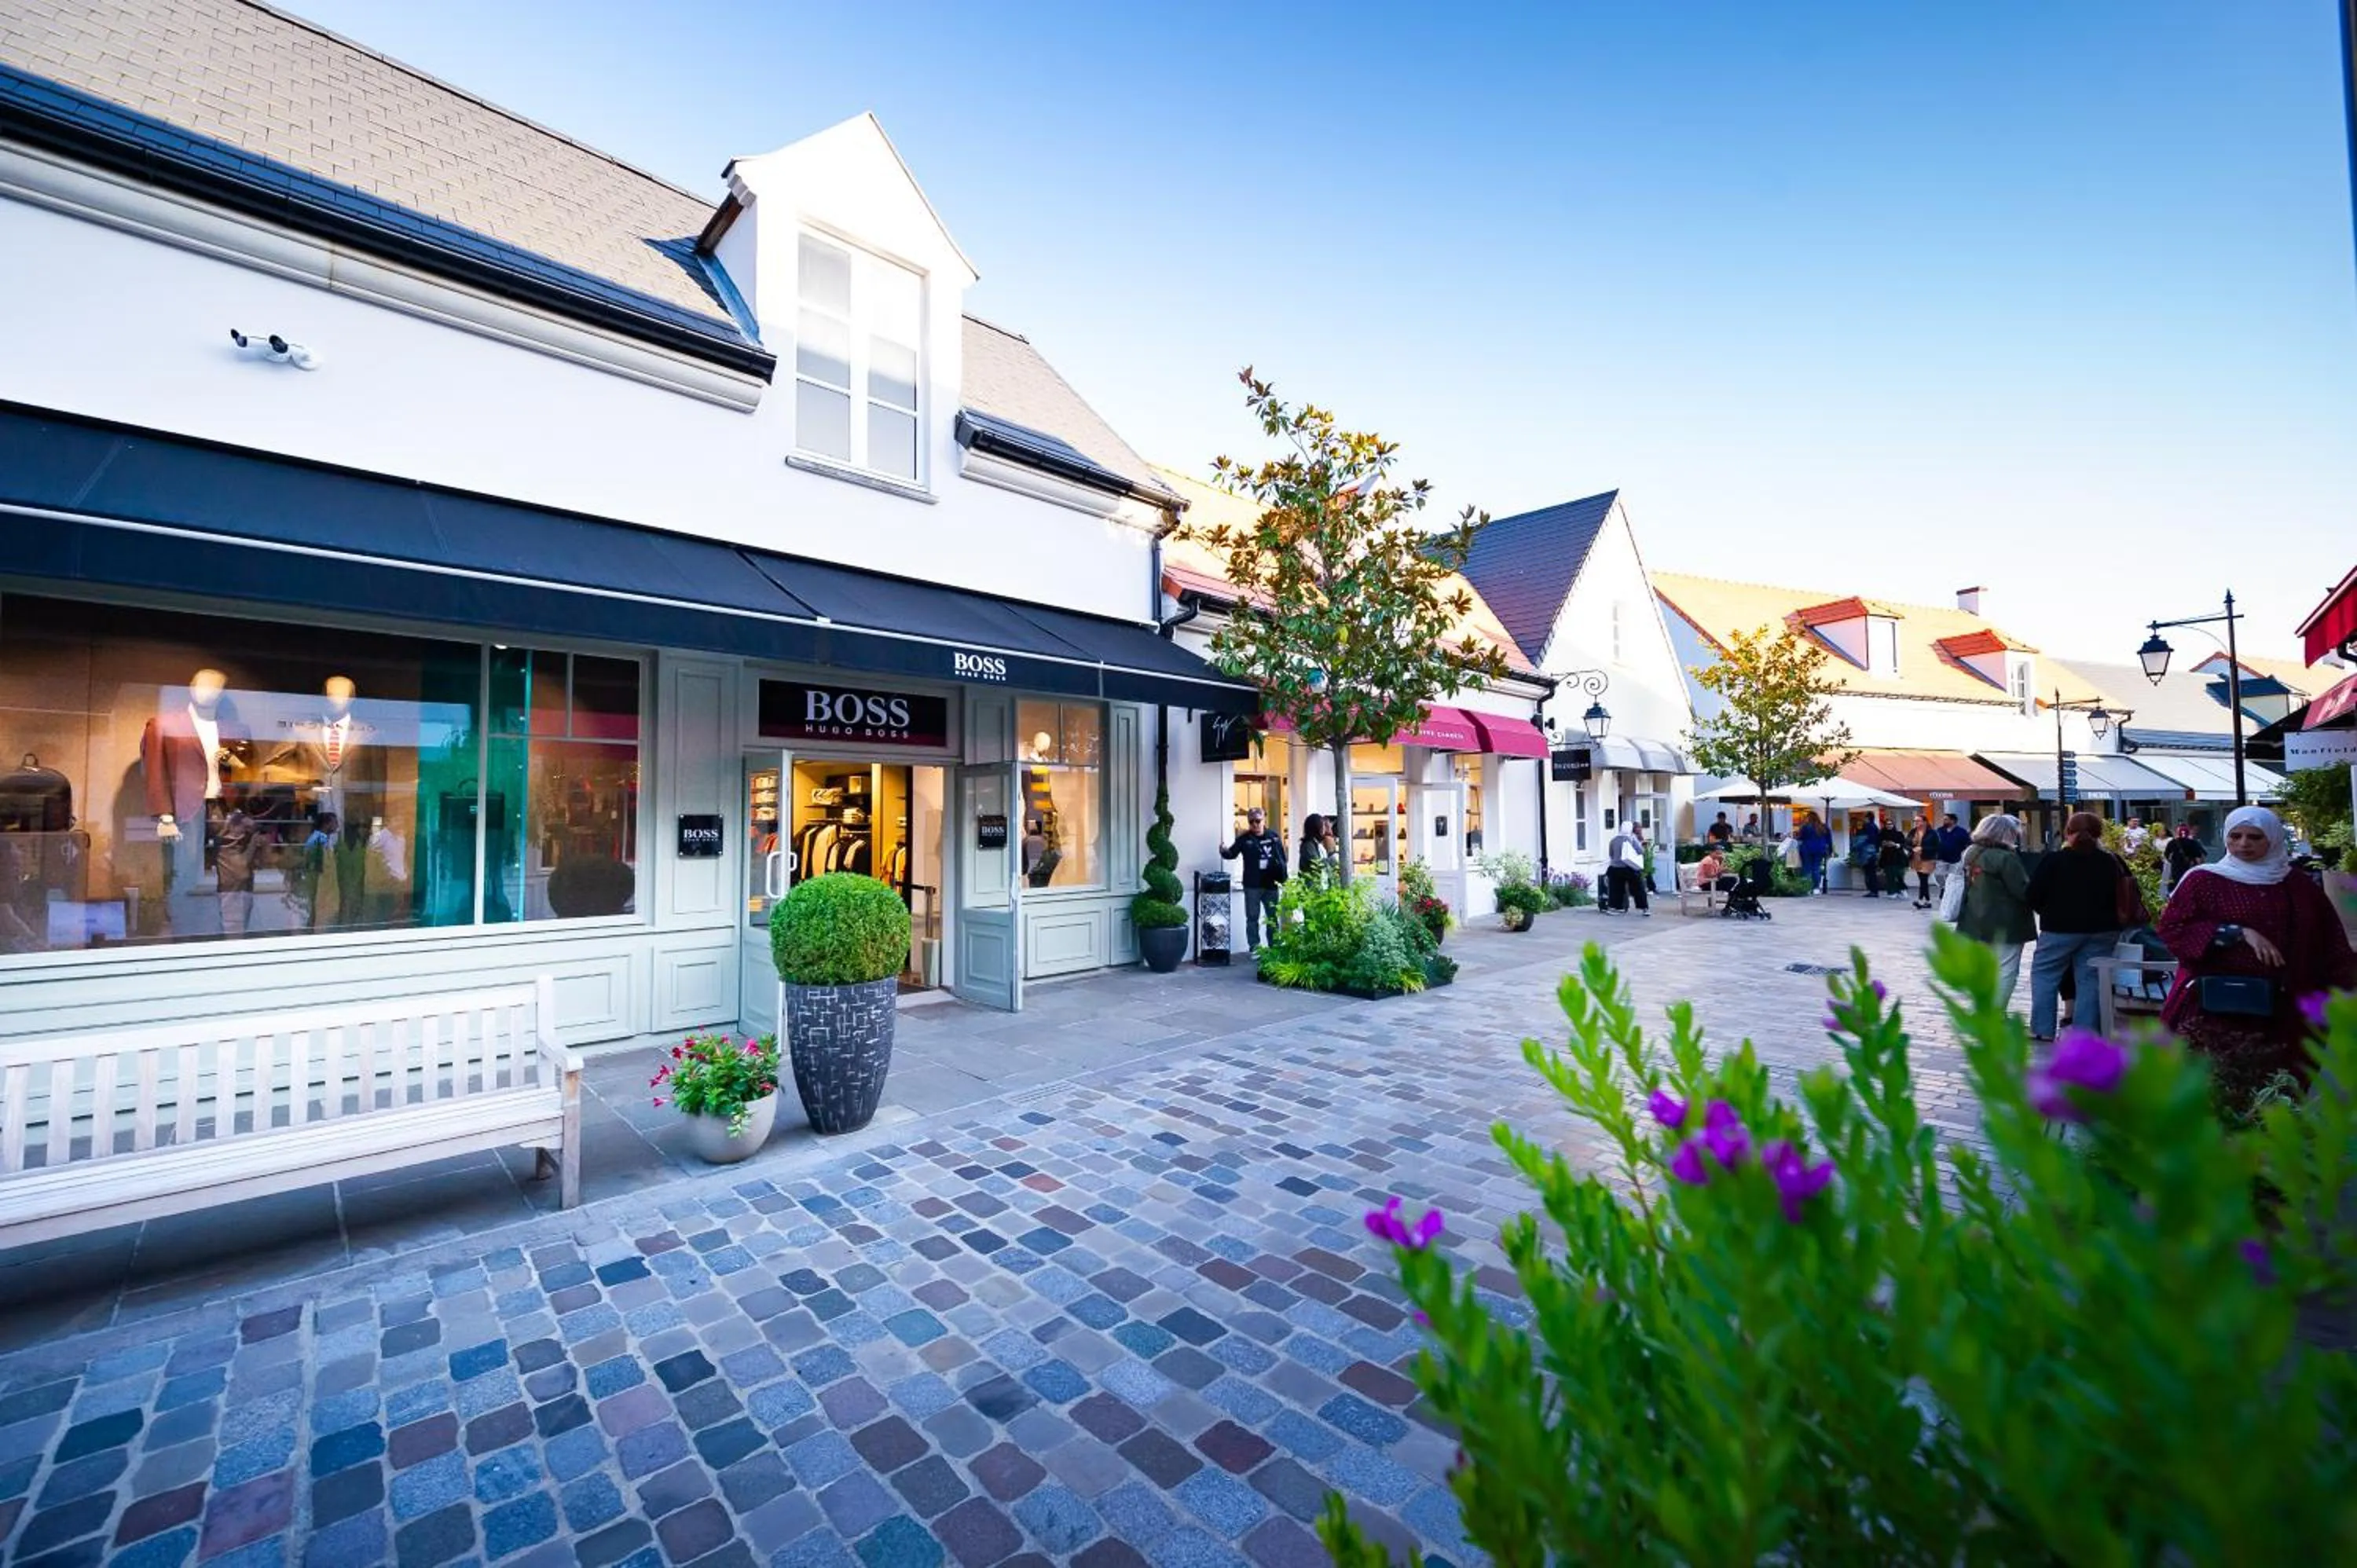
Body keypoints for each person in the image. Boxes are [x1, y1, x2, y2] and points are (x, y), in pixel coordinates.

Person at [2156, 805, 2357, 1112]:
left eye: (2254, 837)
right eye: (2235, 836)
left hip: (2283, 1010)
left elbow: (2328, 938)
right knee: (2212, 1090)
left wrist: (2344, 985)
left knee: (2278, 1093)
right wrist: (2236, 933)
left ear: (2273, 840)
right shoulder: (2204, 880)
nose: (2243, 844)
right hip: (2214, 1009)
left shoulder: (2296, 884)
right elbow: (2173, 929)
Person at [2025, 811, 2132, 1041]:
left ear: (2067, 833)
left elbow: (2033, 895)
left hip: (2059, 928)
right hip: (2104, 929)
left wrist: (2049, 912)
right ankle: (2084, 1034)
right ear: (2099, 834)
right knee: (2090, 979)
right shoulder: (2112, 861)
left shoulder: (2054, 860)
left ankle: (2042, 1029)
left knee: (2045, 974)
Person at [1956, 814, 2033, 1006]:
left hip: (1975, 919)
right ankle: (1996, 1013)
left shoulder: (1972, 853)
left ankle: (1981, 1008)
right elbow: (2023, 890)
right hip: (2006, 922)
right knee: (2006, 969)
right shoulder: (2005, 858)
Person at [1218, 806, 1288, 949]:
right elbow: (1232, 854)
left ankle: (1274, 946)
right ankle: (1255, 947)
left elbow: (1282, 858)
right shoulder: (1244, 839)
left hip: (1271, 884)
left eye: (1258, 821)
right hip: (1252, 885)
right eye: (1251, 822)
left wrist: (1282, 876)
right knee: (1252, 918)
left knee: (1273, 918)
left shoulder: (1273, 837)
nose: (1255, 825)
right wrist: (1223, 851)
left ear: (1264, 820)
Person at [1605, 823, 1651, 916]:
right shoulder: (1631, 839)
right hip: (1630, 868)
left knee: (1615, 889)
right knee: (1639, 888)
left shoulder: (1613, 840)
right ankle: (1644, 908)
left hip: (1615, 869)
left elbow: (1611, 854)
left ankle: (1614, 907)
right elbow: (1641, 851)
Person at [1931, 812, 1970, 910]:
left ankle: (1950, 894)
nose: (1944, 821)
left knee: (1954, 877)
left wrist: (1964, 855)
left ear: (1953, 821)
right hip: (1941, 858)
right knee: (1938, 875)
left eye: (1946, 819)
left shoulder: (1961, 832)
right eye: (1944, 819)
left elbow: (1968, 844)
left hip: (1956, 859)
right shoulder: (1940, 830)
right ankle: (1943, 888)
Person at [2161, 822, 2207, 897]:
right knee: (2188, 882)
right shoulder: (2193, 843)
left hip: (2176, 867)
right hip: (2189, 866)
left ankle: (2175, 896)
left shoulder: (2172, 843)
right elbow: (2200, 855)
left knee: (2176, 882)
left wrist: (2172, 861)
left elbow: (2166, 854)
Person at [1795, 812, 1831, 895]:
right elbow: (1829, 840)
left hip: (1807, 849)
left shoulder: (1805, 827)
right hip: (1819, 850)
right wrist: (1830, 851)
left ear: (1809, 818)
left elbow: (1801, 837)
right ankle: (1816, 888)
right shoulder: (1824, 827)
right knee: (1816, 868)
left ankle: (1806, 888)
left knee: (1806, 868)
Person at [1907, 815, 1937, 909]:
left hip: (1927, 858)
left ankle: (1920, 900)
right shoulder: (1912, 832)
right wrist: (1912, 849)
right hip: (1916, 858)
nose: (1916, 823)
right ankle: (1928, 901)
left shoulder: (1932, 833)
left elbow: (1936, 846)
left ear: (1925, 822)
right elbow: (1906, 844)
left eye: (1918, 821)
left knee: (1923, 880)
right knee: (1923, 880)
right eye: (1915, 821)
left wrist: (1923, 848)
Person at [1877, 830, 1909, 907]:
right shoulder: (1883, 836)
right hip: (1888, 860)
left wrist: (1895, 845)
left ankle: (1901, 890)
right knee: (1890, 877)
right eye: (1887, 824)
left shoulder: (1899, 835)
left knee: (1899, 876)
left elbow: (1903, 845)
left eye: (1890, 824)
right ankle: (1892, 892)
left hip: (1899, 860)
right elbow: (1881, 846)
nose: (1889, 826)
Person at [1297, 812, 1331, 881]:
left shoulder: (1318, 844)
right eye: (1323, 826)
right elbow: (1316, 863)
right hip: (1313, 886)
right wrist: (1331, 858)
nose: (1325, 829)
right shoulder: (1308, 845)